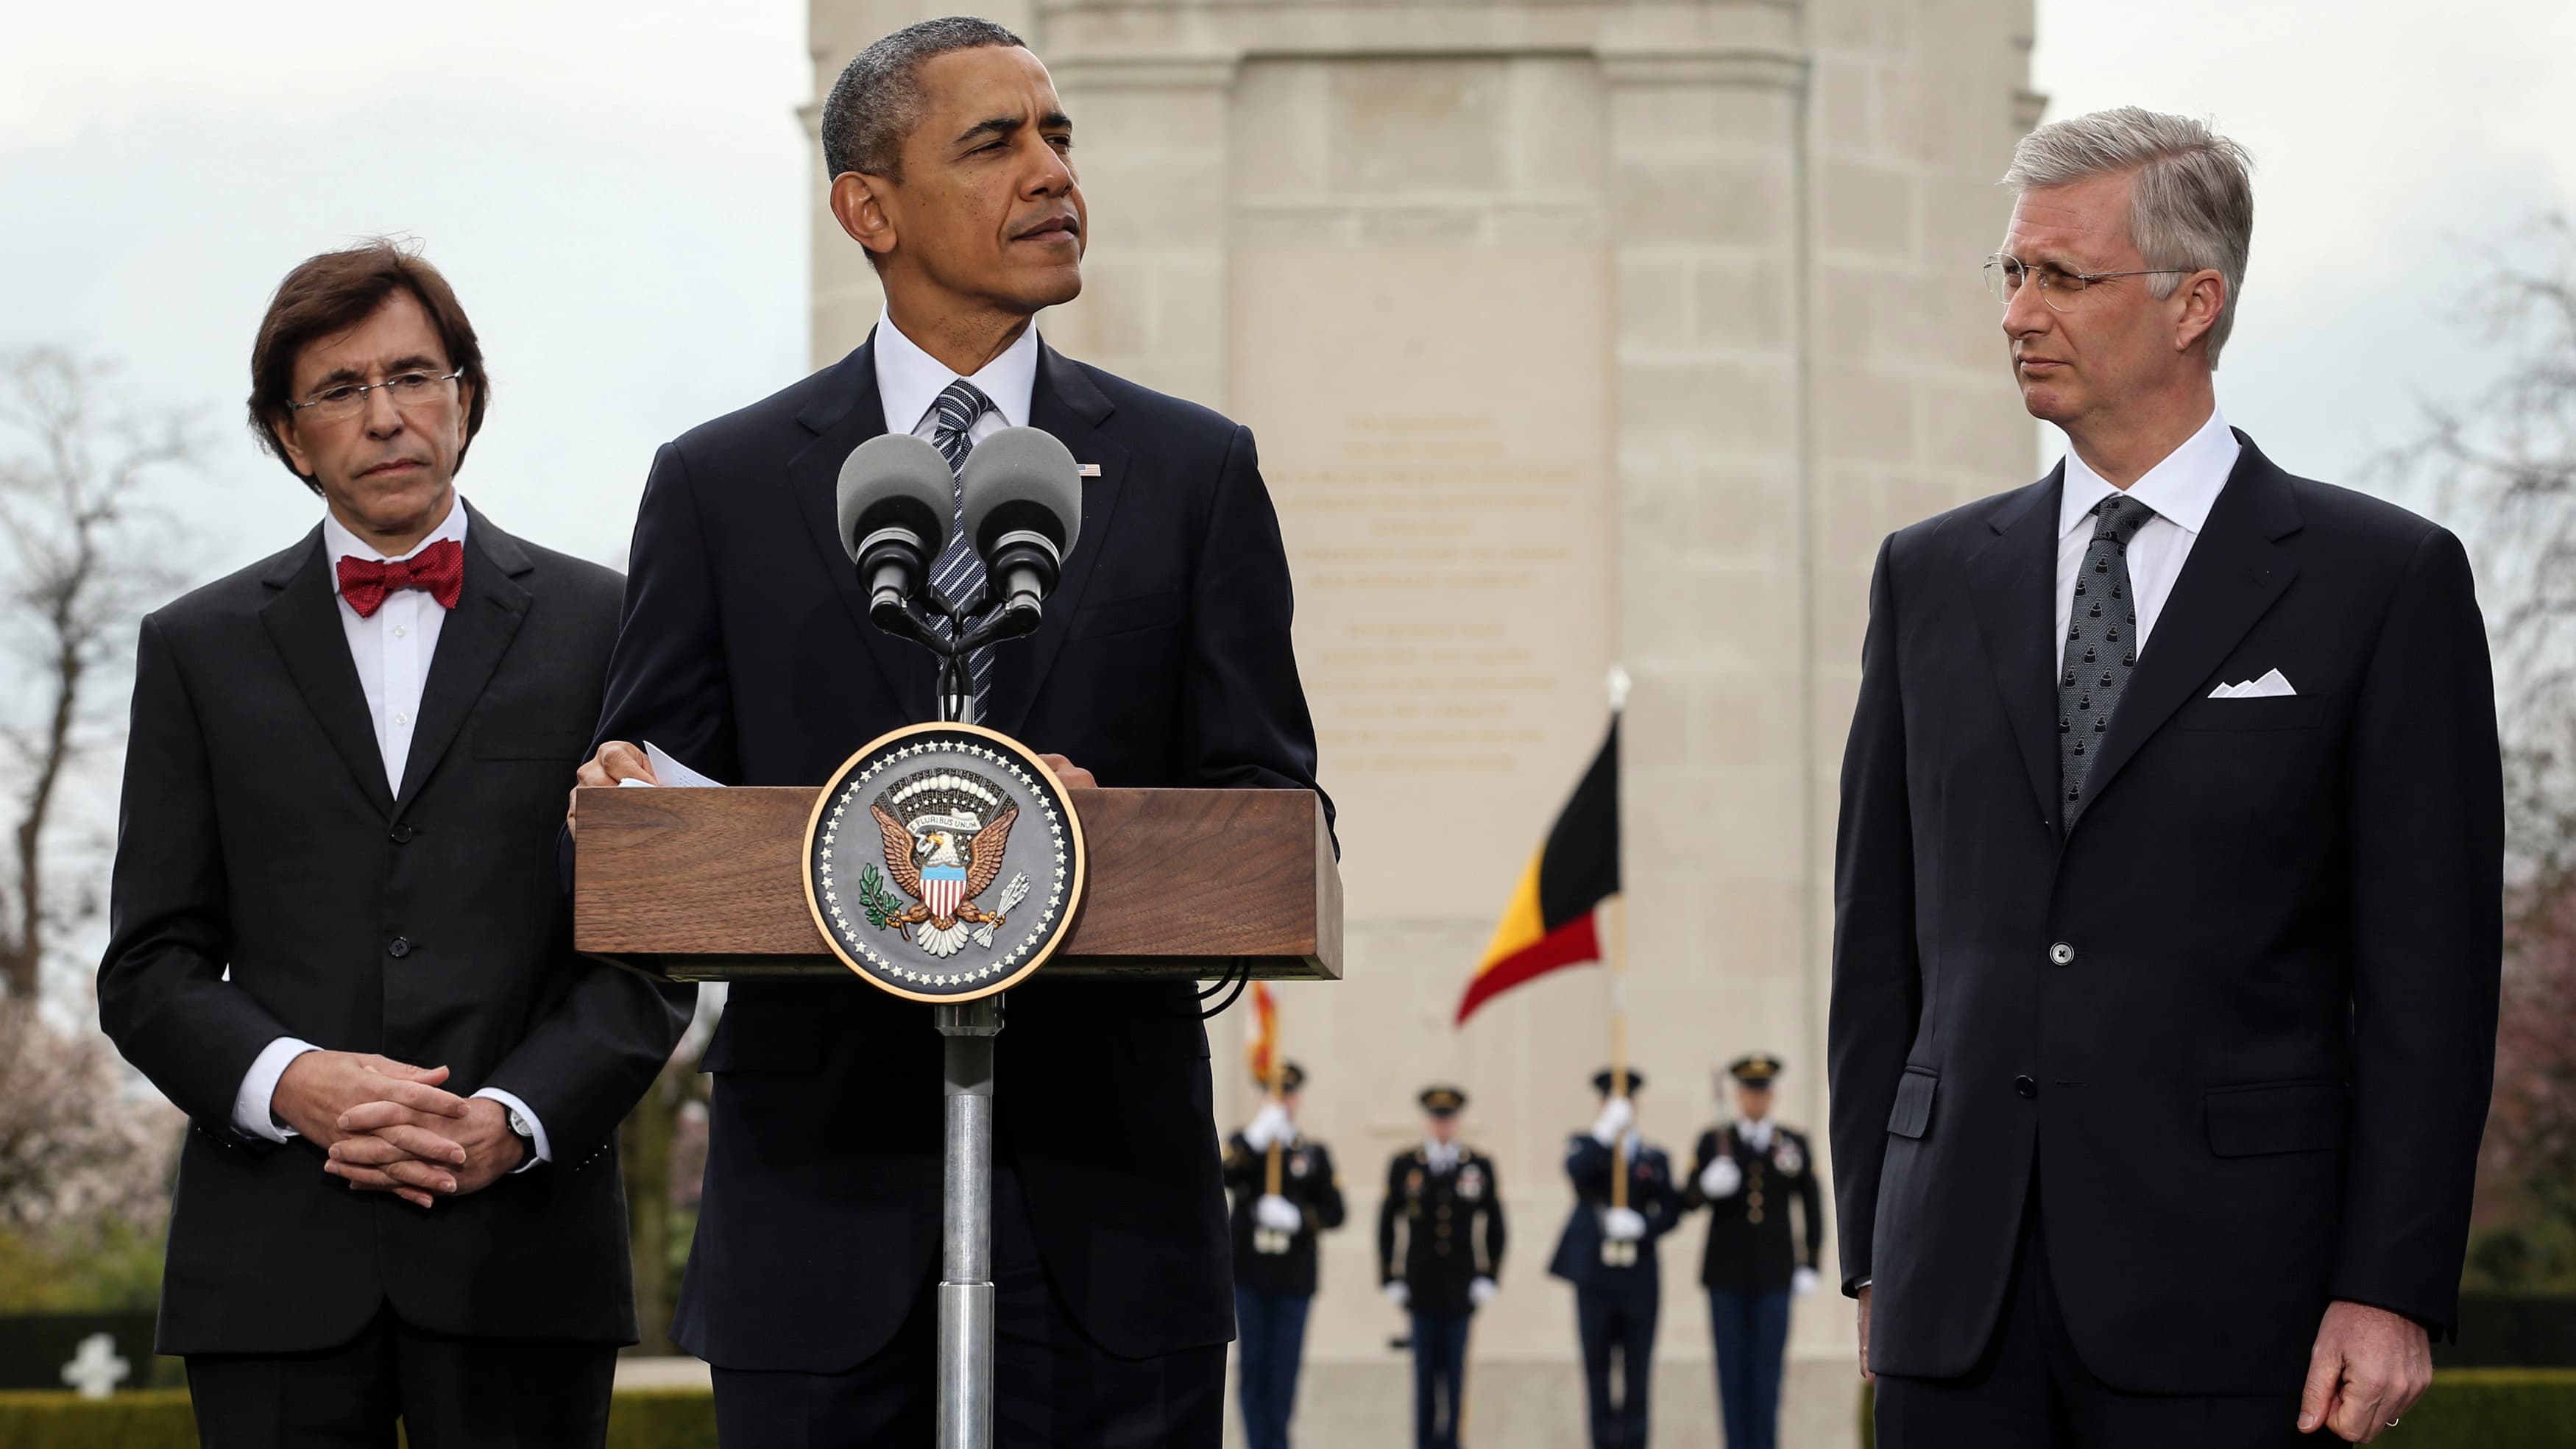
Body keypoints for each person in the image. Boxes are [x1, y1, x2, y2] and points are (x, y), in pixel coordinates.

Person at [574, 16, 1327, 1446]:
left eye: (1058, 137)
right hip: (818, 1209)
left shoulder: (1191, 472)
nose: (1051, 173)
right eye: (994, 144)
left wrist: (1100, 837)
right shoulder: (722, 483)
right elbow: (658, 810)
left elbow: (1280, 813)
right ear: (868, 207)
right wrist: (627, 801)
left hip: (1109, 1215)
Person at [1828, 107, 2502, 1448]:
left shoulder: (2383, 583)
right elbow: (1879, 947)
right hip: (1955, 1309)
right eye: (2011, 273)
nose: (2021, 311)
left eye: (2064, 278)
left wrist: (2390, 1284)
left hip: (2241, 1306)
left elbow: (2431, 978)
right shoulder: (1928, 577)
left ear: (2197, 302)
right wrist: (1879, 1246)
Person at [95, 241, 691, 1448]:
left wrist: (515, 1114)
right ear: (286, 431)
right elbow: (147, 964)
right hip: (271, 1264)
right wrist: (290, 1085)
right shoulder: (193, 647)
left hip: (522, 1260)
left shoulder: (612, 623)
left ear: (466, 396)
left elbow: (652, 950)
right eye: (340, 390)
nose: (386, 417)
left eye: (416, 376)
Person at [1685, 1055, 1822, 1449]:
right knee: (1731, 1375)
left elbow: (1811, 1206)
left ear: (1772, 1095)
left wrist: (1810, 1262)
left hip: (1776, 1275)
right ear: (1738, 1094)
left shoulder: (1792, 1143)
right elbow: (1688, 1198)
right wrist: (1706, 1185)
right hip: (1725, 1276)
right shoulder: (1714, 1142)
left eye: (1762, 1091)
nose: (1756, 1099)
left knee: (1767, 1376)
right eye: (1749, 1090)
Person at [1547, 1068, 1682, 1449]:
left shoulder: (1653, 1156)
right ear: (1602, 1105)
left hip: (1639, 1279)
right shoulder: (1585, 1145)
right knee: (1597, 1373)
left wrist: (1642, 1226)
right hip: (1595, 1278)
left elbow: (1671, 1212)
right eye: (1610, 1101)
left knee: (1638, 1375)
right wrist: (1605, 1131)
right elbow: (1576, 1173)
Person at [1222, 1061, 1345, 1449]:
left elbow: (1335, 1211)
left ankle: (1278, 1442)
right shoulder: (1249, 1144)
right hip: (1250, 1276)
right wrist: (1256, 1139)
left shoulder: (1312, 1151)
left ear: (1298, 1098)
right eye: (1275, 1094)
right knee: (1253, 1367)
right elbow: (1224, 1174)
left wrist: (1298, 1219)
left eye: (1289, 1094)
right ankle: (1257, 1442)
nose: (1284, 1102)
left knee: (1284, 1370)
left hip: (1293, 1279)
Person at [1380, 1086, 1506, 1449]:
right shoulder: (1406, 1165)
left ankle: (1452, 1443)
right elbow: (1388, 1223)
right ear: (1427, 1120)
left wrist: (1489, 1275)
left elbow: (1496, 1225)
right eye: (1436, 1117)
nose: (1442, 1125)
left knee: (1455, 1379)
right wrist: (1390, 1275)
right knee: (1423, 1380)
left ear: (1458, 1121)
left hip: (1460, 1287)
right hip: (1420, 1287)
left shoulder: (1477, 1165)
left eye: (1448, 1118)